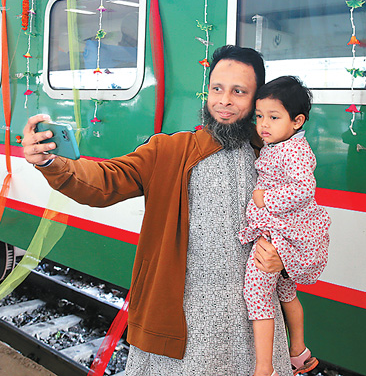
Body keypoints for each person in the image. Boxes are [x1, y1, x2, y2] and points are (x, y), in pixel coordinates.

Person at [22, 45, 293, 376]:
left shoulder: (277, 160)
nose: (224, 100)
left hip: (255, 328)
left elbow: (304, 231)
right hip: (184, 328)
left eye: (239, 92)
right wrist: (51, 163)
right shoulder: (170, 150)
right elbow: (104, 181)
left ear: (256, 100)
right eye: (217, 89)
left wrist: (284, 258)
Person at [238, 76, 331, 376]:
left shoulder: (293, 151)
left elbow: (304, 188)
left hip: (279, 234)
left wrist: (264, 198)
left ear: (297, 121)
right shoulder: (281, 143)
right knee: (286, 292)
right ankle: (299, 352)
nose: (263, 124)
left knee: (257, 294)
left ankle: (265, 368)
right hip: (283, 230)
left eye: (274, 117)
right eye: (259, 116)